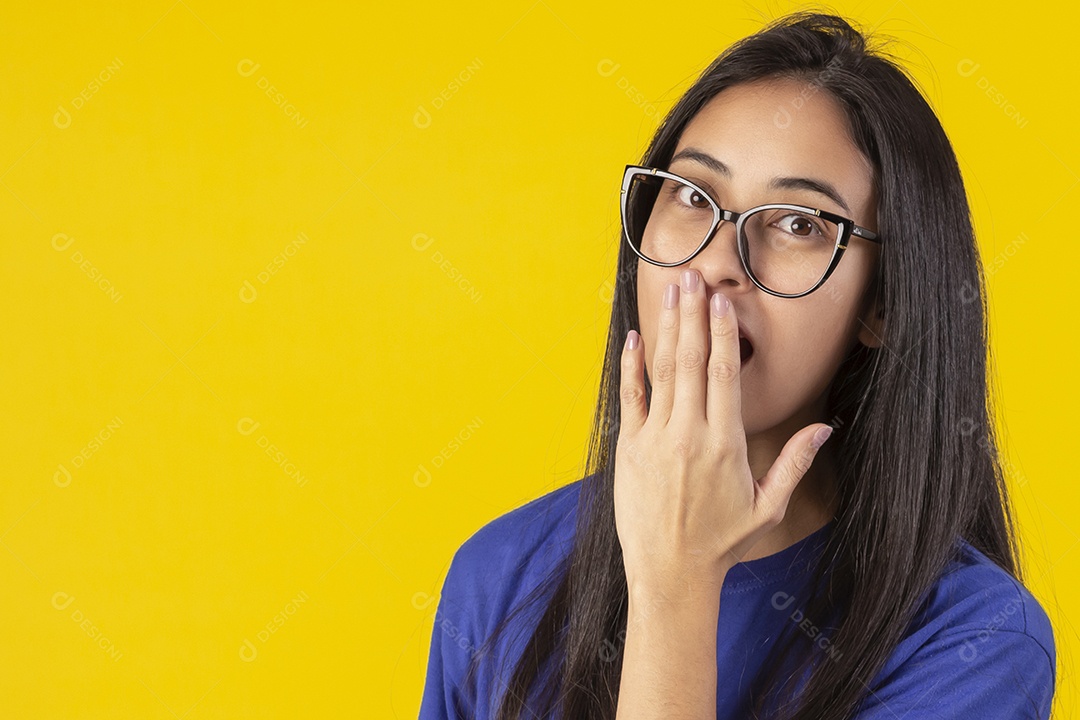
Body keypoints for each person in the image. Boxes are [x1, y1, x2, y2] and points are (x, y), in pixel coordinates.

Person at [418, 11, 1056, 720]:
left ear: (884, 304)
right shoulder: (499, 576)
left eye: (798, 224)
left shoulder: (978, 641)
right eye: (692, 197)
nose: (718, 262)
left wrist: (678, 583)